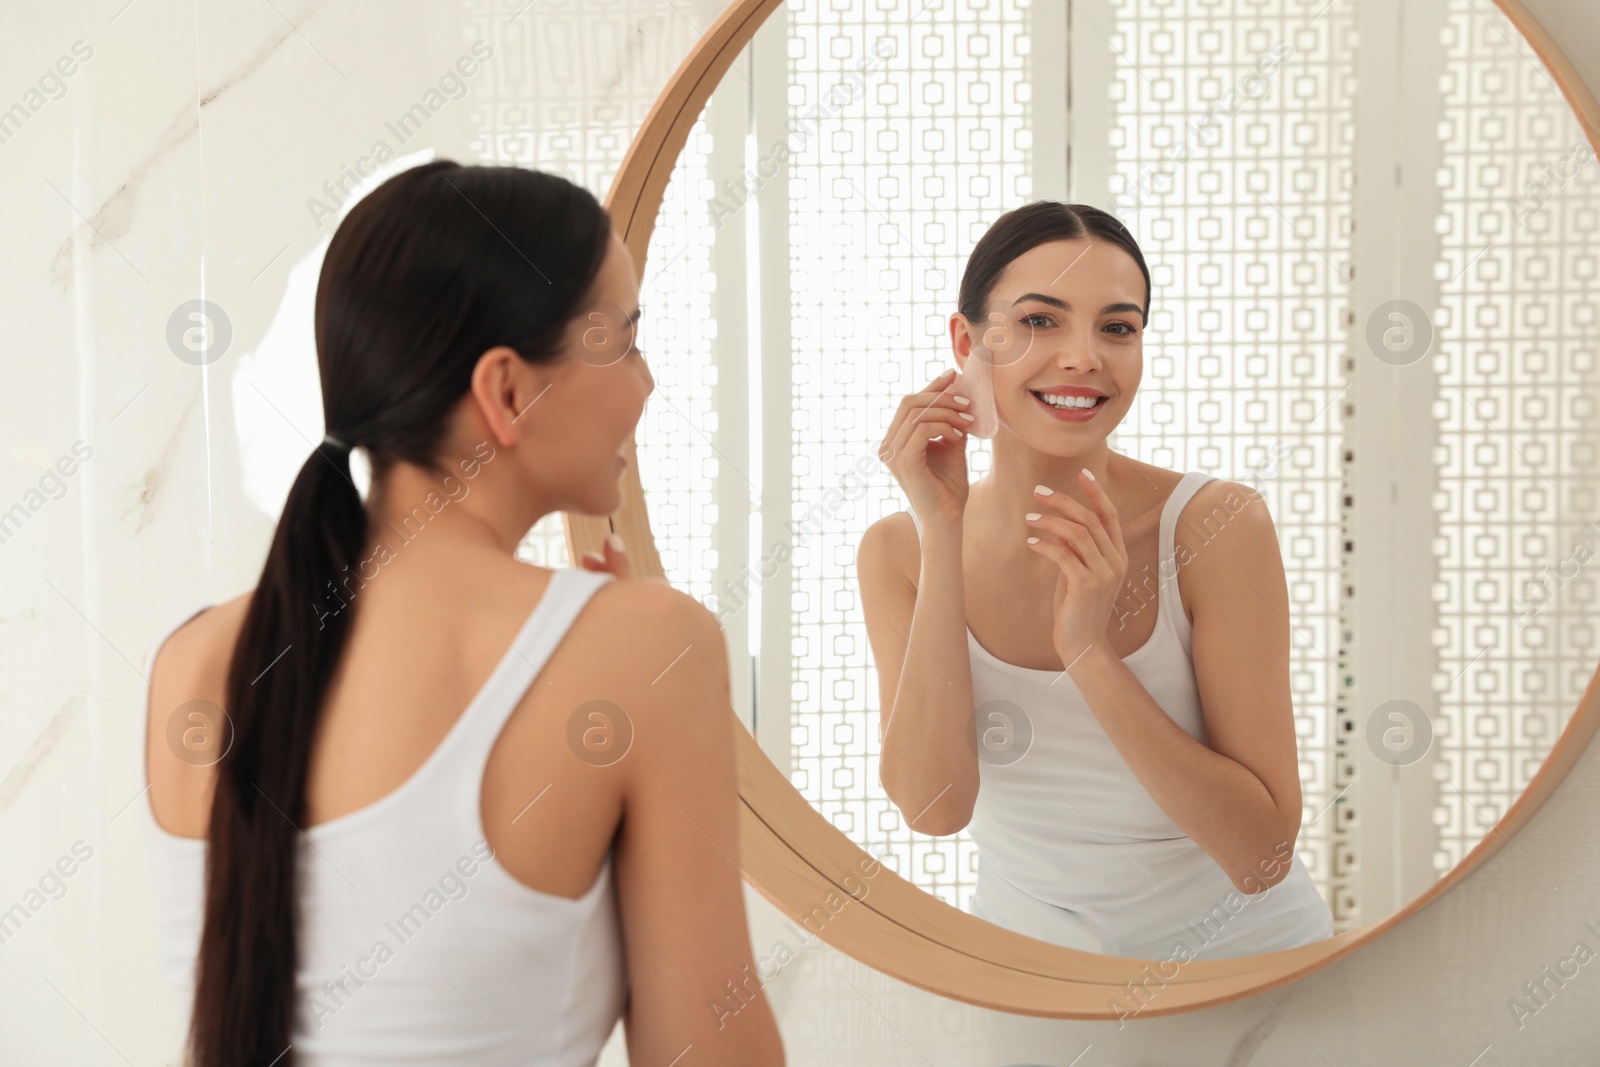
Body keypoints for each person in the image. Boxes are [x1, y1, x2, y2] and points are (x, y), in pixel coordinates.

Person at [140, 160, 786, 1066]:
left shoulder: (195, 660)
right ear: (508, 391)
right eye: (625, 342)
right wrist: (627, 647)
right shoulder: (646, 646)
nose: (645, 386)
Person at [857, 200, 1334, 960]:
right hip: (1034, 987)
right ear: (967, 341)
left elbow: (1262, 858)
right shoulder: (899, 552)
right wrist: (940, 532)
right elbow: (934, 806)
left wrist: (1089, 653)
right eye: (1041, 321)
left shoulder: (1214, 526)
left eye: (1117, 327)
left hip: (1252, 981)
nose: (1084, 357)